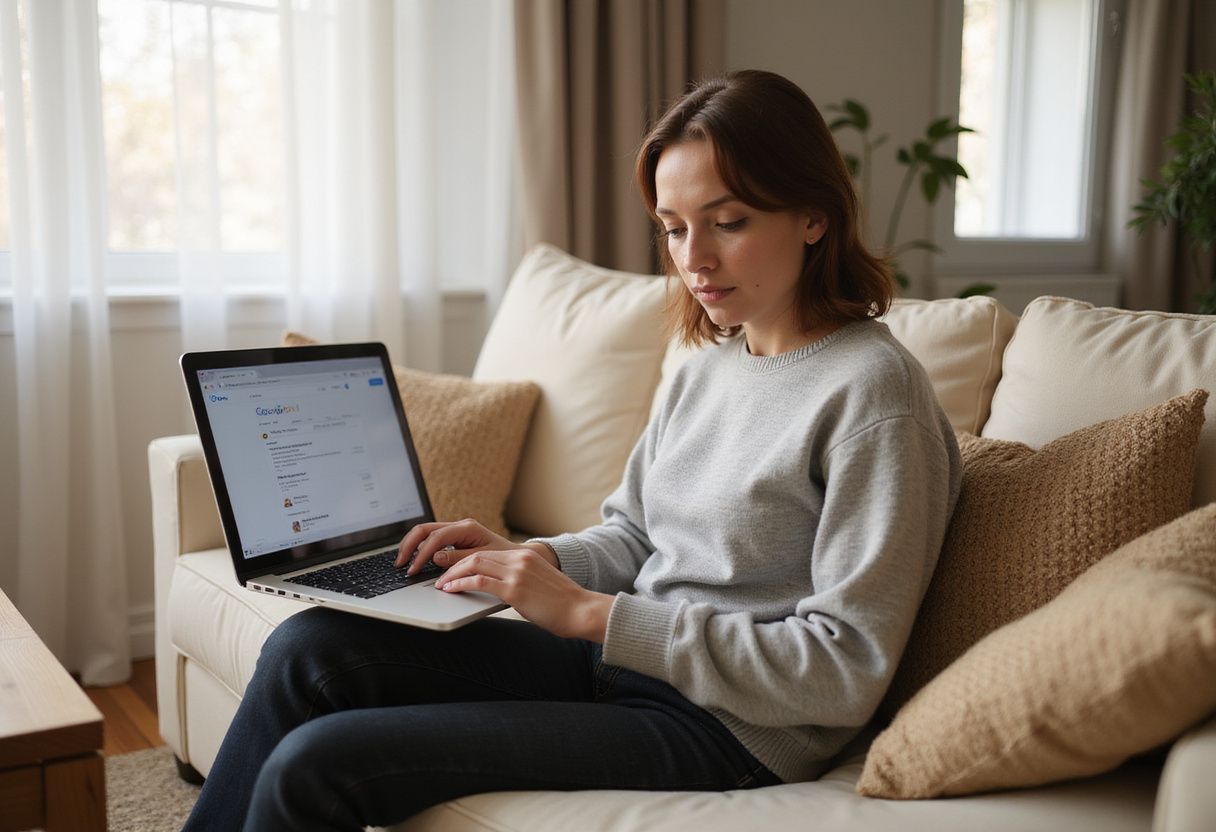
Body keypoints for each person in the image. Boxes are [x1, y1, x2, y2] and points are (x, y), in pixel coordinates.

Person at [181, 69, 962, 831]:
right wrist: (531, 559)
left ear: (814, 216)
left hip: (730, 730)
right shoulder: (710, 368)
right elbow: (635, 533)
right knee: (309, 646)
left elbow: (843, 668)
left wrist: (591, 614)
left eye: (728, 222)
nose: (694, 259)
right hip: (620, 666)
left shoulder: (874, 394)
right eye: (674, 227)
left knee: (320, 763)